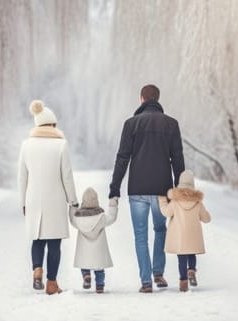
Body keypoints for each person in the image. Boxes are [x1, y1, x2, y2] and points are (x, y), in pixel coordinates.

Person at [109, 84, 185, 293]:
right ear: (157, 99)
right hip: (162, 189)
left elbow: (122, 158)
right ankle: (158, 273)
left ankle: (146, 281)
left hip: (138, 190)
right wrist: (180, 188)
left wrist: (114, 187)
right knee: (160, 230)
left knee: (140, 236)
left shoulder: (131, 124)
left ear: (141, 99)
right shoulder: (171, 124)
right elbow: (178, 158)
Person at [18, 99, 78, 295]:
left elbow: (22, 177)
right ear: (52, 124)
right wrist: (73, 200)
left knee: (37, 239)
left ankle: (37, 270)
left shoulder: (26, 145)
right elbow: (66, 175)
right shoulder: (61, 145)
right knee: (54, 243)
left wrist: (23, 202)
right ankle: (52, 284)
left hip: (33, 198)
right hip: (56, 200)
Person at [158, 170, 211, 292]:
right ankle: (191, 270)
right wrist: (205, 213)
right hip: (193, 236)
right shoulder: (198, 202)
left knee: (181, 257)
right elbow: (206, 219)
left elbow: (166, 212)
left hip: (179, 237)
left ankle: (183, 281)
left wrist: (162, 199)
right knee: (191, 253)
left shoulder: (175, 201)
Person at [69, 188, 118, 294]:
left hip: (84, 251)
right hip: (98, 251)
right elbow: (112, 218)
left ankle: (86, 275)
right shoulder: (101, 218)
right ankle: (100, 285)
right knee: (99, 268)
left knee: (84, 265)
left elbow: (72, 220)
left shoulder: (78, 218)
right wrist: (113, 204)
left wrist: (73, 207)